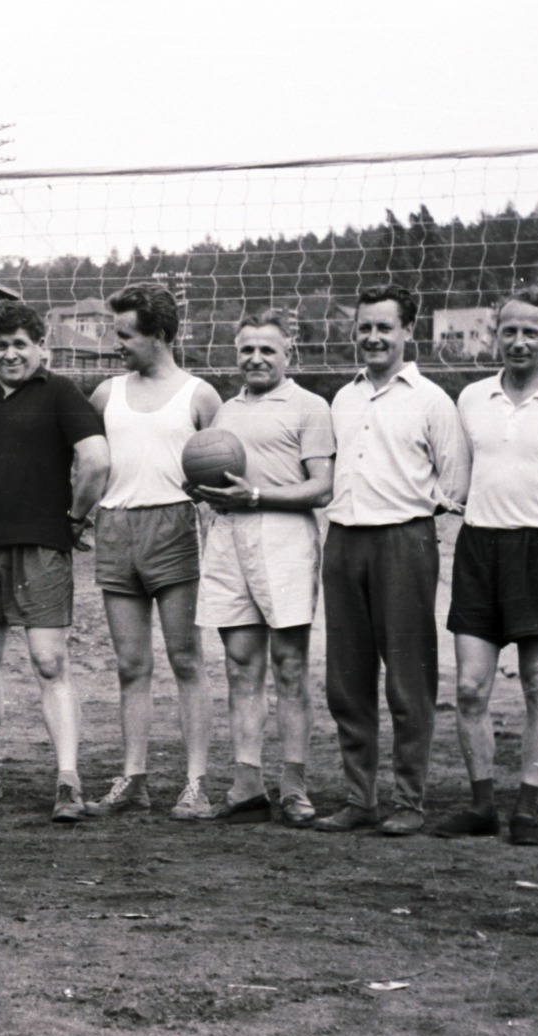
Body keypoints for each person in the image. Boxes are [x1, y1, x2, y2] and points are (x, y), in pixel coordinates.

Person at [435, 288, 538, 846]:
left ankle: (526, 808)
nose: (520, 341)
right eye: (509, 331)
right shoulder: (471, 399)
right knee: (470, 687)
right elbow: (456, 476)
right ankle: (482, 806)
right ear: (494, 336)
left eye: (532, 332)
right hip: (480, 550)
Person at [315, 284, 469, 836]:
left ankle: (409, 800)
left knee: (408, 676)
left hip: (404, 541)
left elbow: (454, 485)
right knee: (346, 679)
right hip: (344, 541)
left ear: (408, 331)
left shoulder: (431, 400)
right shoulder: (343, 398)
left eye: (385, 327)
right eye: (365, 327)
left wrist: (417, 531)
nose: (374, 337)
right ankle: (361, 798)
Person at [0, 300, 109, 823]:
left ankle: (68, 780)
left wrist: (74, 518)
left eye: (20, 344)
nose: (10, 354)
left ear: (41, 345)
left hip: (42, 547)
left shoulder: (62, 392)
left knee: (49, 662)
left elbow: (96, 460)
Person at [83, 283, 221, 821]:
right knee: (130, 664)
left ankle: (195, 783)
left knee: (186, 659)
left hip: (174, 527)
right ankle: (134, 778)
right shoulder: (106, 393)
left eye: (124, 334)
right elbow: (88, 463)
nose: (115, 344)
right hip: (116, 527)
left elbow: (224, 472)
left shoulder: (200, 396)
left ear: (159, 336)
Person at [191, 311, 334, 825]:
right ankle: (247, 785)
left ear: (288, 354)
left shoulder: (310, 406)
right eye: (247, 348)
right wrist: (204, 491)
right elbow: (214, 473)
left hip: (284, 538)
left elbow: (322, 487)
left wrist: (257, 495)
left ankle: (294, 788)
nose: (255, 358)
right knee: (239, 665)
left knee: (290, 667)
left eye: (267, 350)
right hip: (229, 538)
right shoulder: (224, 411)